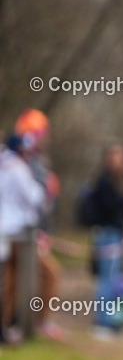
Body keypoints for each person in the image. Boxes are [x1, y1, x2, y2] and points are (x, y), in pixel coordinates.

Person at [14, 109, 65, 341]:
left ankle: (32, 322)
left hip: (37, 230)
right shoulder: (20, 162)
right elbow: (32, 198)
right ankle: (28, 323)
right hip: (23, 232)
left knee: (33, 276)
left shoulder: (39, 162)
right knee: (43, 274)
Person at [0, 135, 46, 343]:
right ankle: (17, 325)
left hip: (6, 229)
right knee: (16, 282)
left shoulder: (4, 164)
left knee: (8, 282)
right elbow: (33, 196)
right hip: (18, 231)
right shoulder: (18, 167)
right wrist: (43, 188)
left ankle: (9, 326)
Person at [88, 144, 123, 339]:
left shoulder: (120, 182)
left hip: (116, 234)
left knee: (114, 280)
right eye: (116, 157)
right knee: (106, 280)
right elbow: (109, 206)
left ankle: (112, 320)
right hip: (107, 234)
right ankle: (102, 321)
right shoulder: (105, 182)